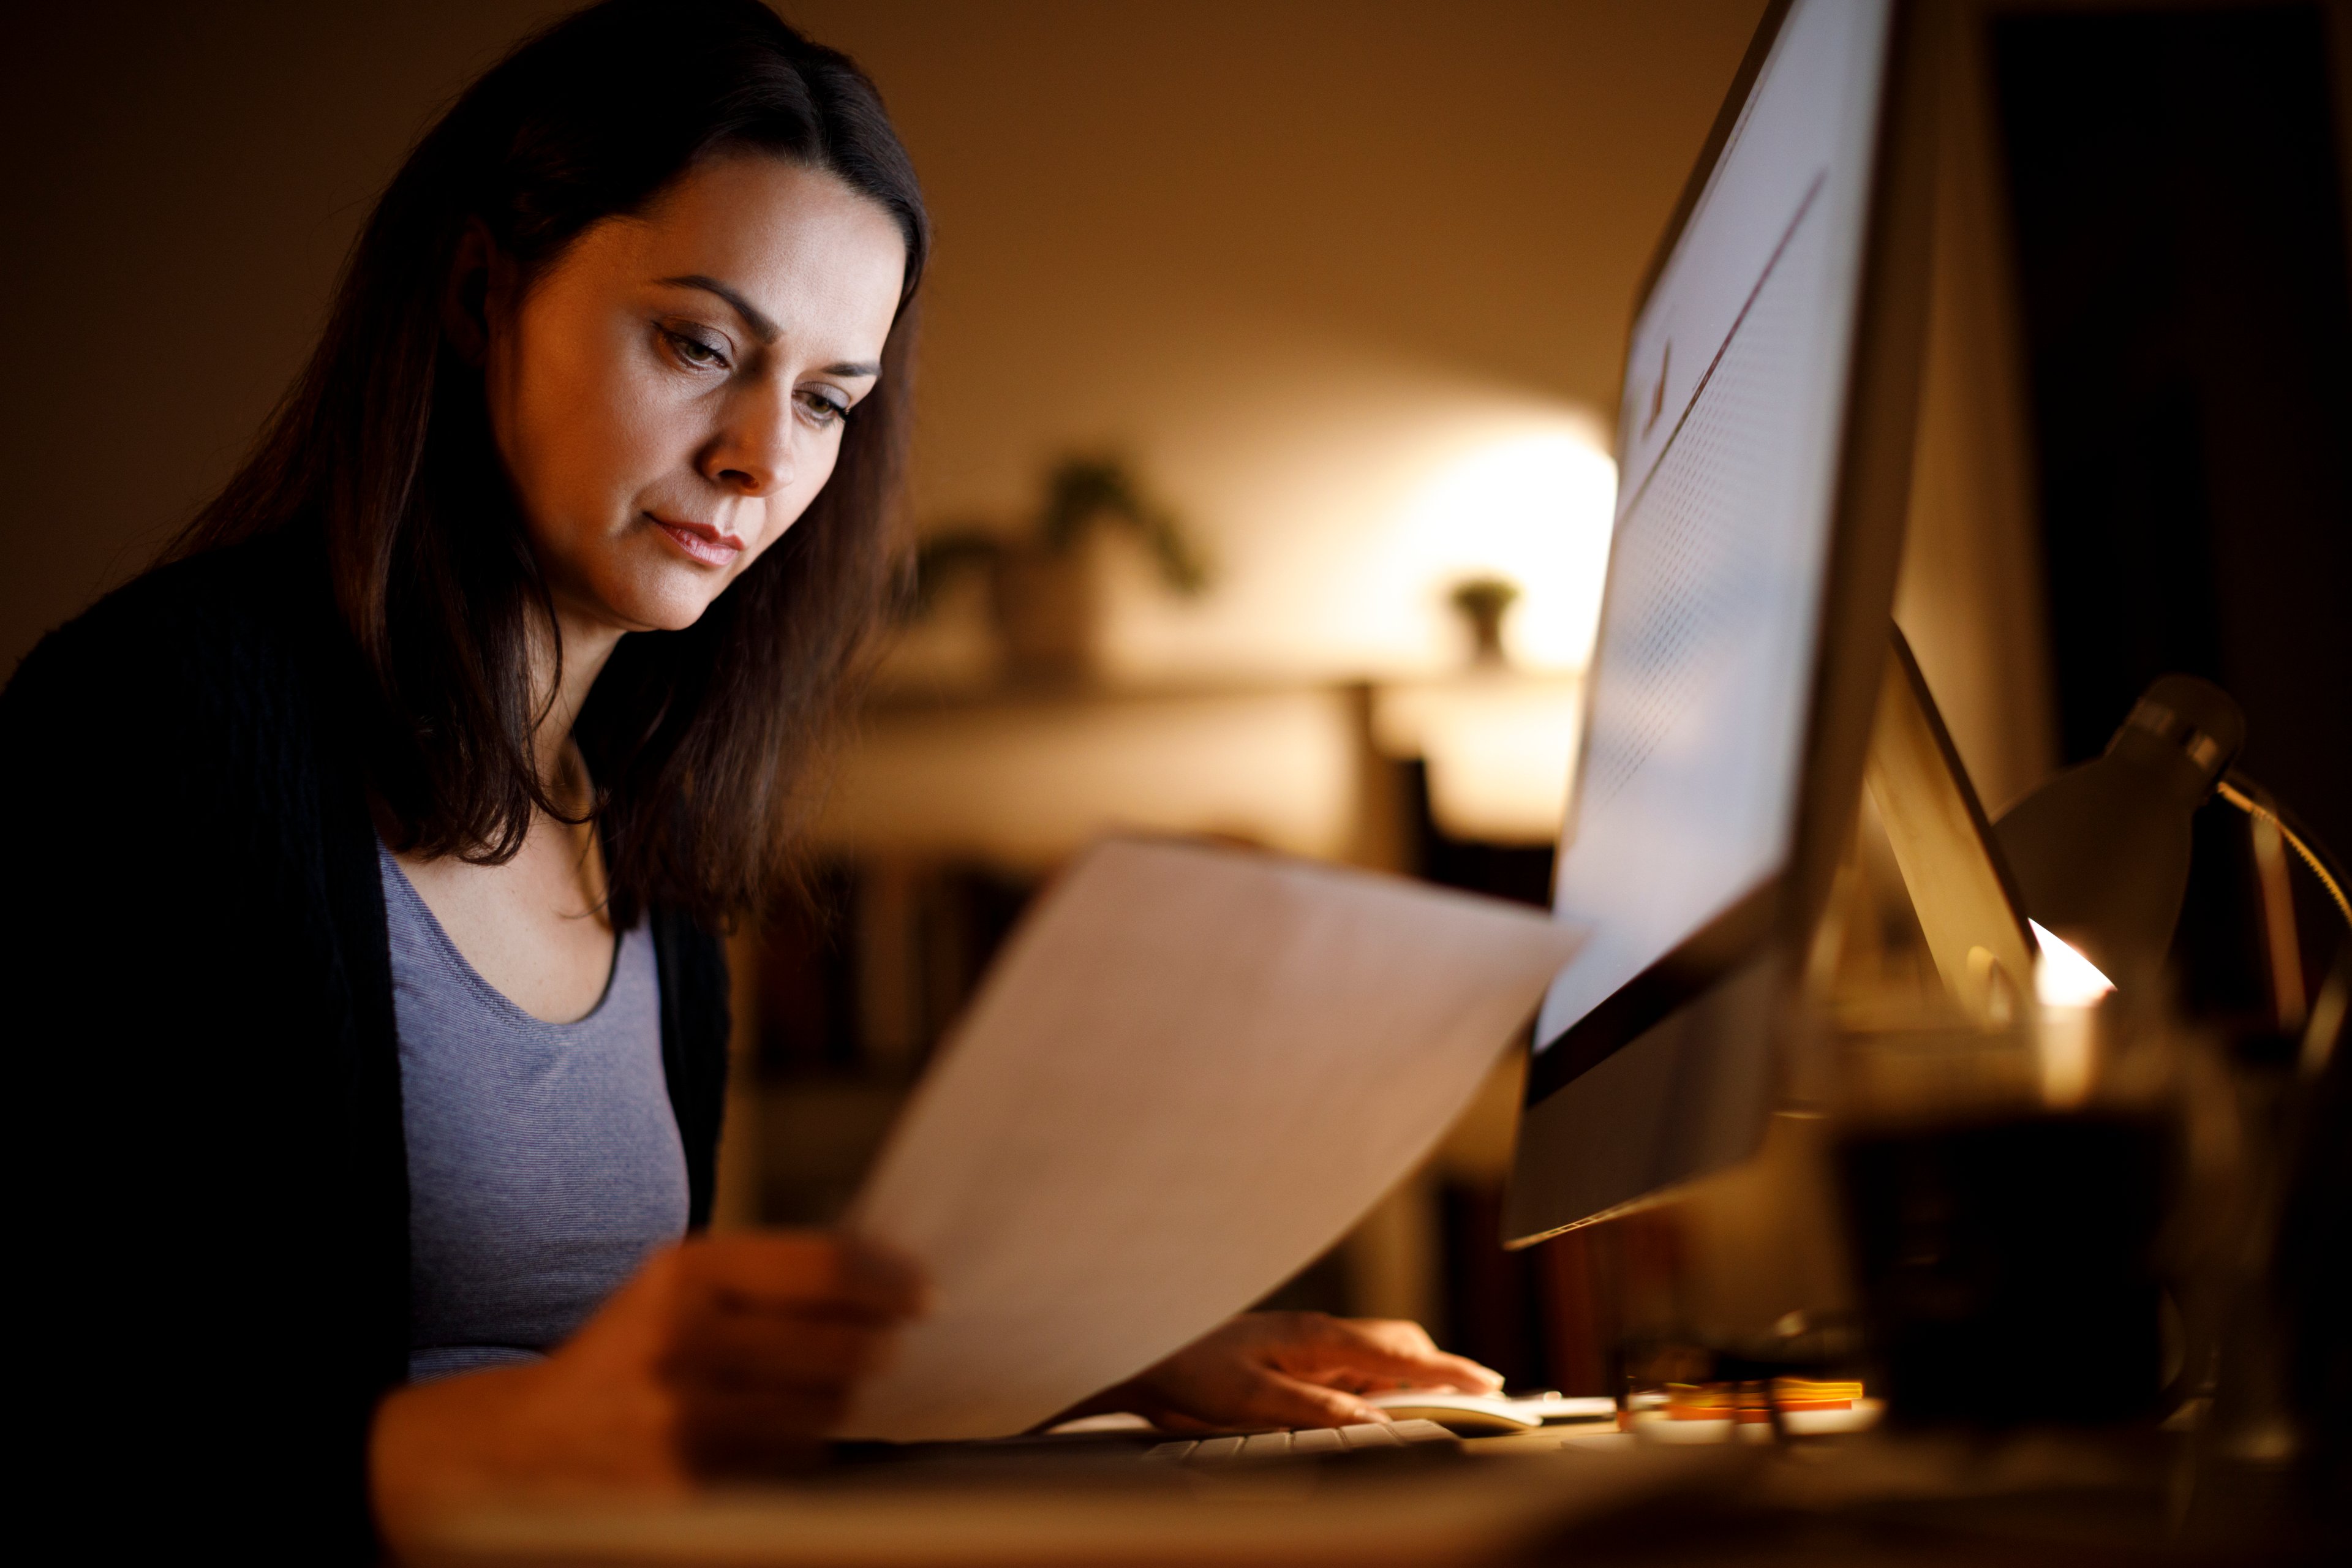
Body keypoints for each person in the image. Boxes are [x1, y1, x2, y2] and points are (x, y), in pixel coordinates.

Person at [1, 1, 1500, 1556]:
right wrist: (488, 1445)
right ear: (474, 291)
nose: (757, 457)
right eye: (701, 344)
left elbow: (632, 1427)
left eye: (829, 398)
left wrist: (1100, 1362)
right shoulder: (159, 720)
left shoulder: (640, 837)